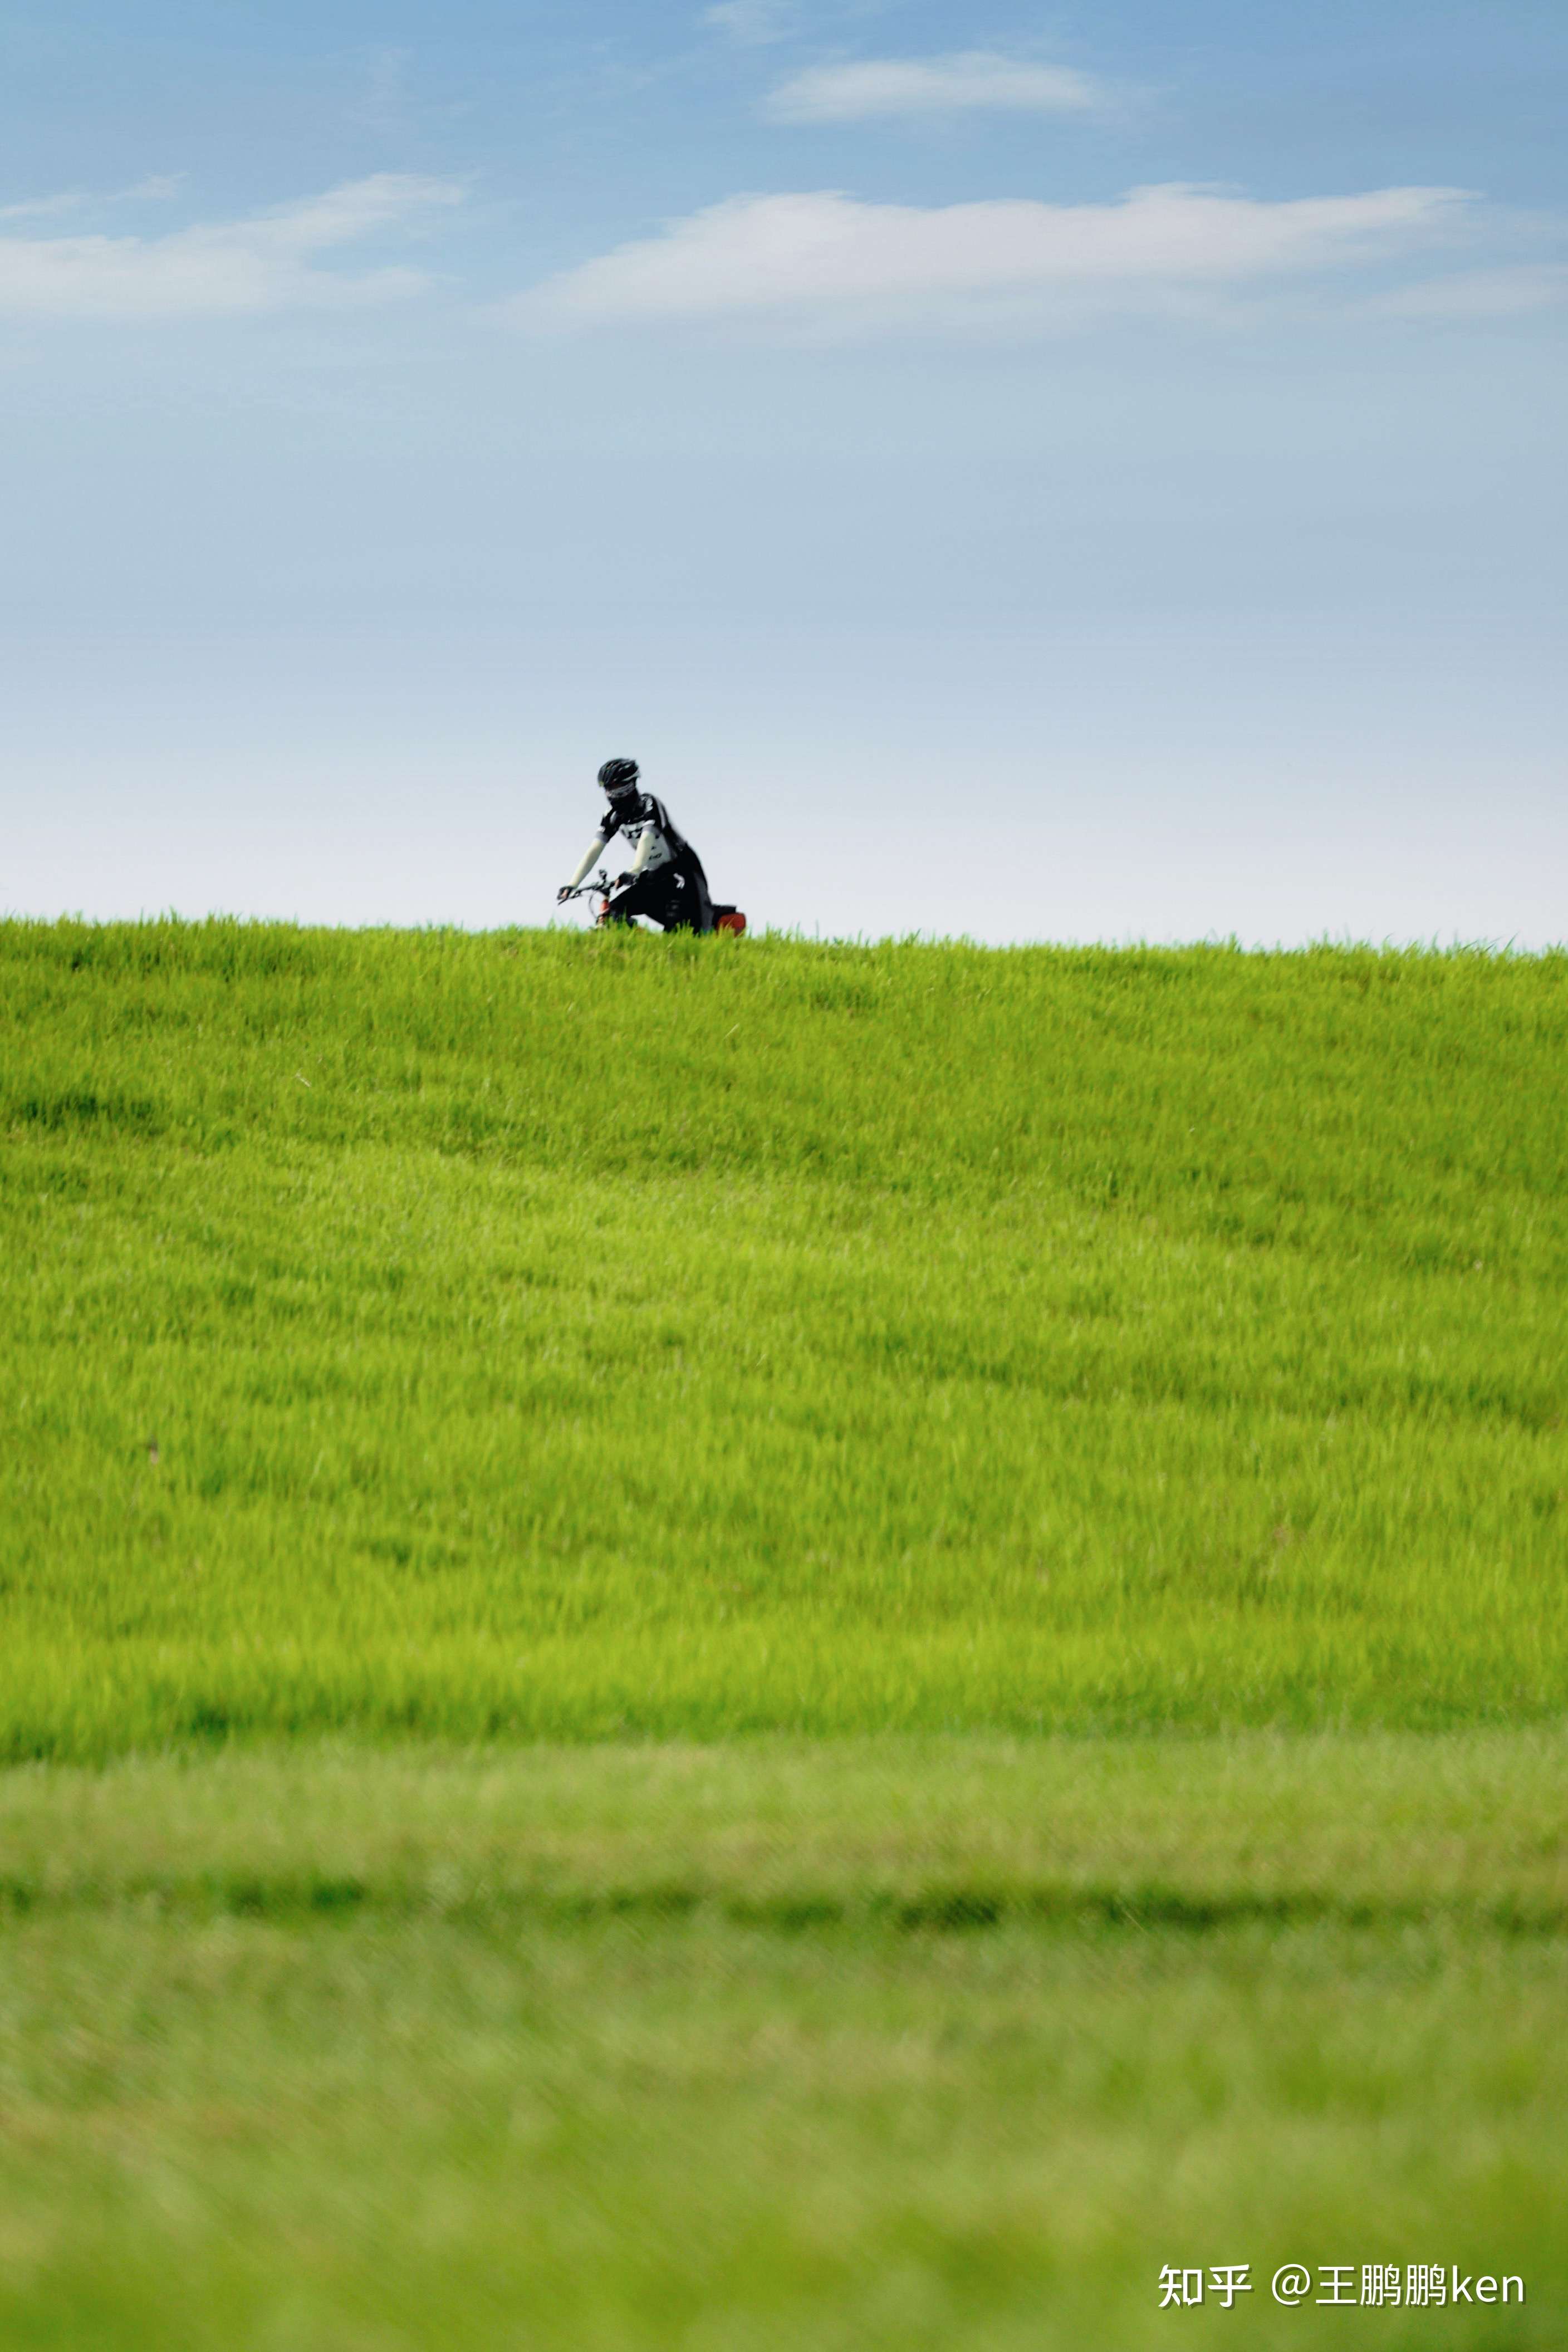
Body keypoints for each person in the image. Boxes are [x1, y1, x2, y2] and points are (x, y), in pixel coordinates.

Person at [558, 757, 717, 933]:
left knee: (686, 932)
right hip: (655, 874)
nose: (615, 796)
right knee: (614, 914)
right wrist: (573, 884)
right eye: (610, 791)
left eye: (621, 789)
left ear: (633, 784)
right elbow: (594, 849)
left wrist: (634, 870)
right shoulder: (611, 815)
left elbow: (646, 839)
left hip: (683, 870)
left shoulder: (649, 804)